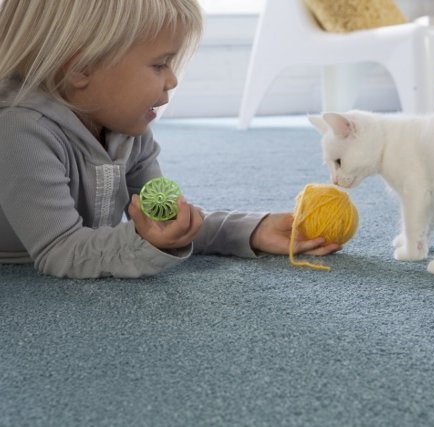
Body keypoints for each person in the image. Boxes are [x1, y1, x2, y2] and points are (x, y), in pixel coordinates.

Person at [0, 0, 340, 278]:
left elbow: (167, 222)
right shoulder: (20, 131)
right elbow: (62, 251)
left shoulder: (126, 128)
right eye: (160, 64)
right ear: (81, 68)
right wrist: (144, 241)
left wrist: (249, 231)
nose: (173, 80)